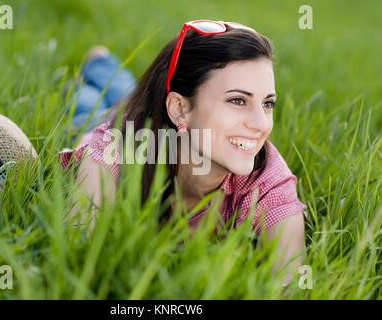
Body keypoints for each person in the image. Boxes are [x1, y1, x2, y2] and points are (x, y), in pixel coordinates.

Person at [59, 20, 309, 288]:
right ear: (180, 109)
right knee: (87, 106)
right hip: (127, 123)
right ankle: (94, 65)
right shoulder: (114, 152)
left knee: (133, 95)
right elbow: (75, 260)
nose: (261, 125)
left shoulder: (268, 180)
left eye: (268, 103)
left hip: (163, 118)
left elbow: (291, 285)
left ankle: (105, 66)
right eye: (238, 100)